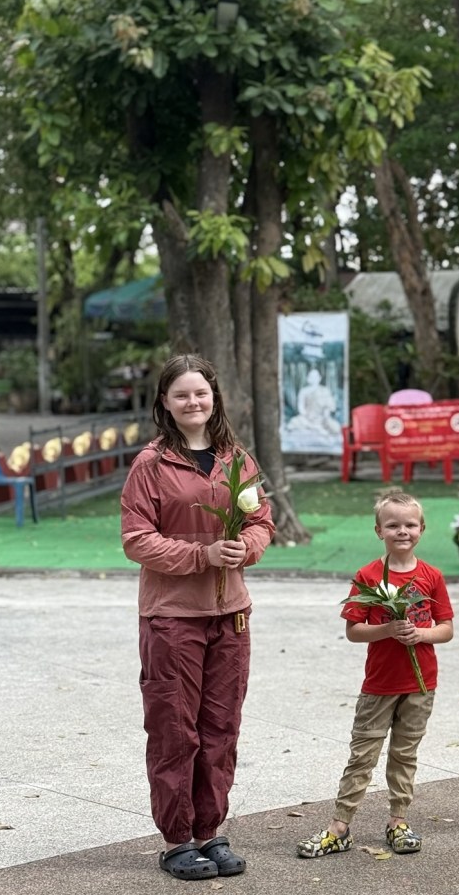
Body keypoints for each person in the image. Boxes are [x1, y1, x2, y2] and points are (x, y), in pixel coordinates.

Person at [121, 354, 275, 881]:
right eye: (182, 394)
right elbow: (137, 539)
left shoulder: (237, 459)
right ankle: (177, 839)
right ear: (164, 401)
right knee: (175, 730)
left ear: (215, 398)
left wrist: (245, 549)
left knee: (220, 728)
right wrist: (201, 556)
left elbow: (260, 520)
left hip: (230, 614)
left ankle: (211, 831)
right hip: (172, 618)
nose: (194, 402)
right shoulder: (151, 465)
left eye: (201, 393)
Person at [297, 490, 454, 859]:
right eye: (393, 525)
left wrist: (422, 634)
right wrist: (386, 630)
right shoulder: (368, 576)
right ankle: (340, 826)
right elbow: (353, 630)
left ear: (422, 529)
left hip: (420, 683)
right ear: (378, 530)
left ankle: (398, 821)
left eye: (410, 524)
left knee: (405, 754)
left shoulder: (431, 576)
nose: (403, 531)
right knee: (363, 754)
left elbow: (446, 628)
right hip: (380, 684)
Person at [288, 367, 342, 437]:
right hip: (307, 417)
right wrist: (304, 413)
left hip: (321, 418)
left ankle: (317, 428)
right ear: (308, 379)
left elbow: (330, 406)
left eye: (315, 377)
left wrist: (326, 414)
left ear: (319, 378)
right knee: (293, 422)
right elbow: (300, 405)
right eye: (311, 377)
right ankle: (316, 428)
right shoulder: (304, 391)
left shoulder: (324, 390)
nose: (313, 379)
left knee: (335, 427)